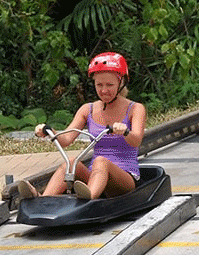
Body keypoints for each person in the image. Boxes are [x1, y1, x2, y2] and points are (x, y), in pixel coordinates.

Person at [18, 51, 146, 200]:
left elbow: (136, 140)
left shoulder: (135, 109)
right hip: (95, 176)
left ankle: (89, 198)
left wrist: (125, 132)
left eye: (110, 85)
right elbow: (66, 140)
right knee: (71, 162)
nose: (104, 90)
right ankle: (42, 199)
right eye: (99, 85)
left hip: (125, 178)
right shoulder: (88, 109)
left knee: (101, 161)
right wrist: (48, 131)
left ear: (121, 82)